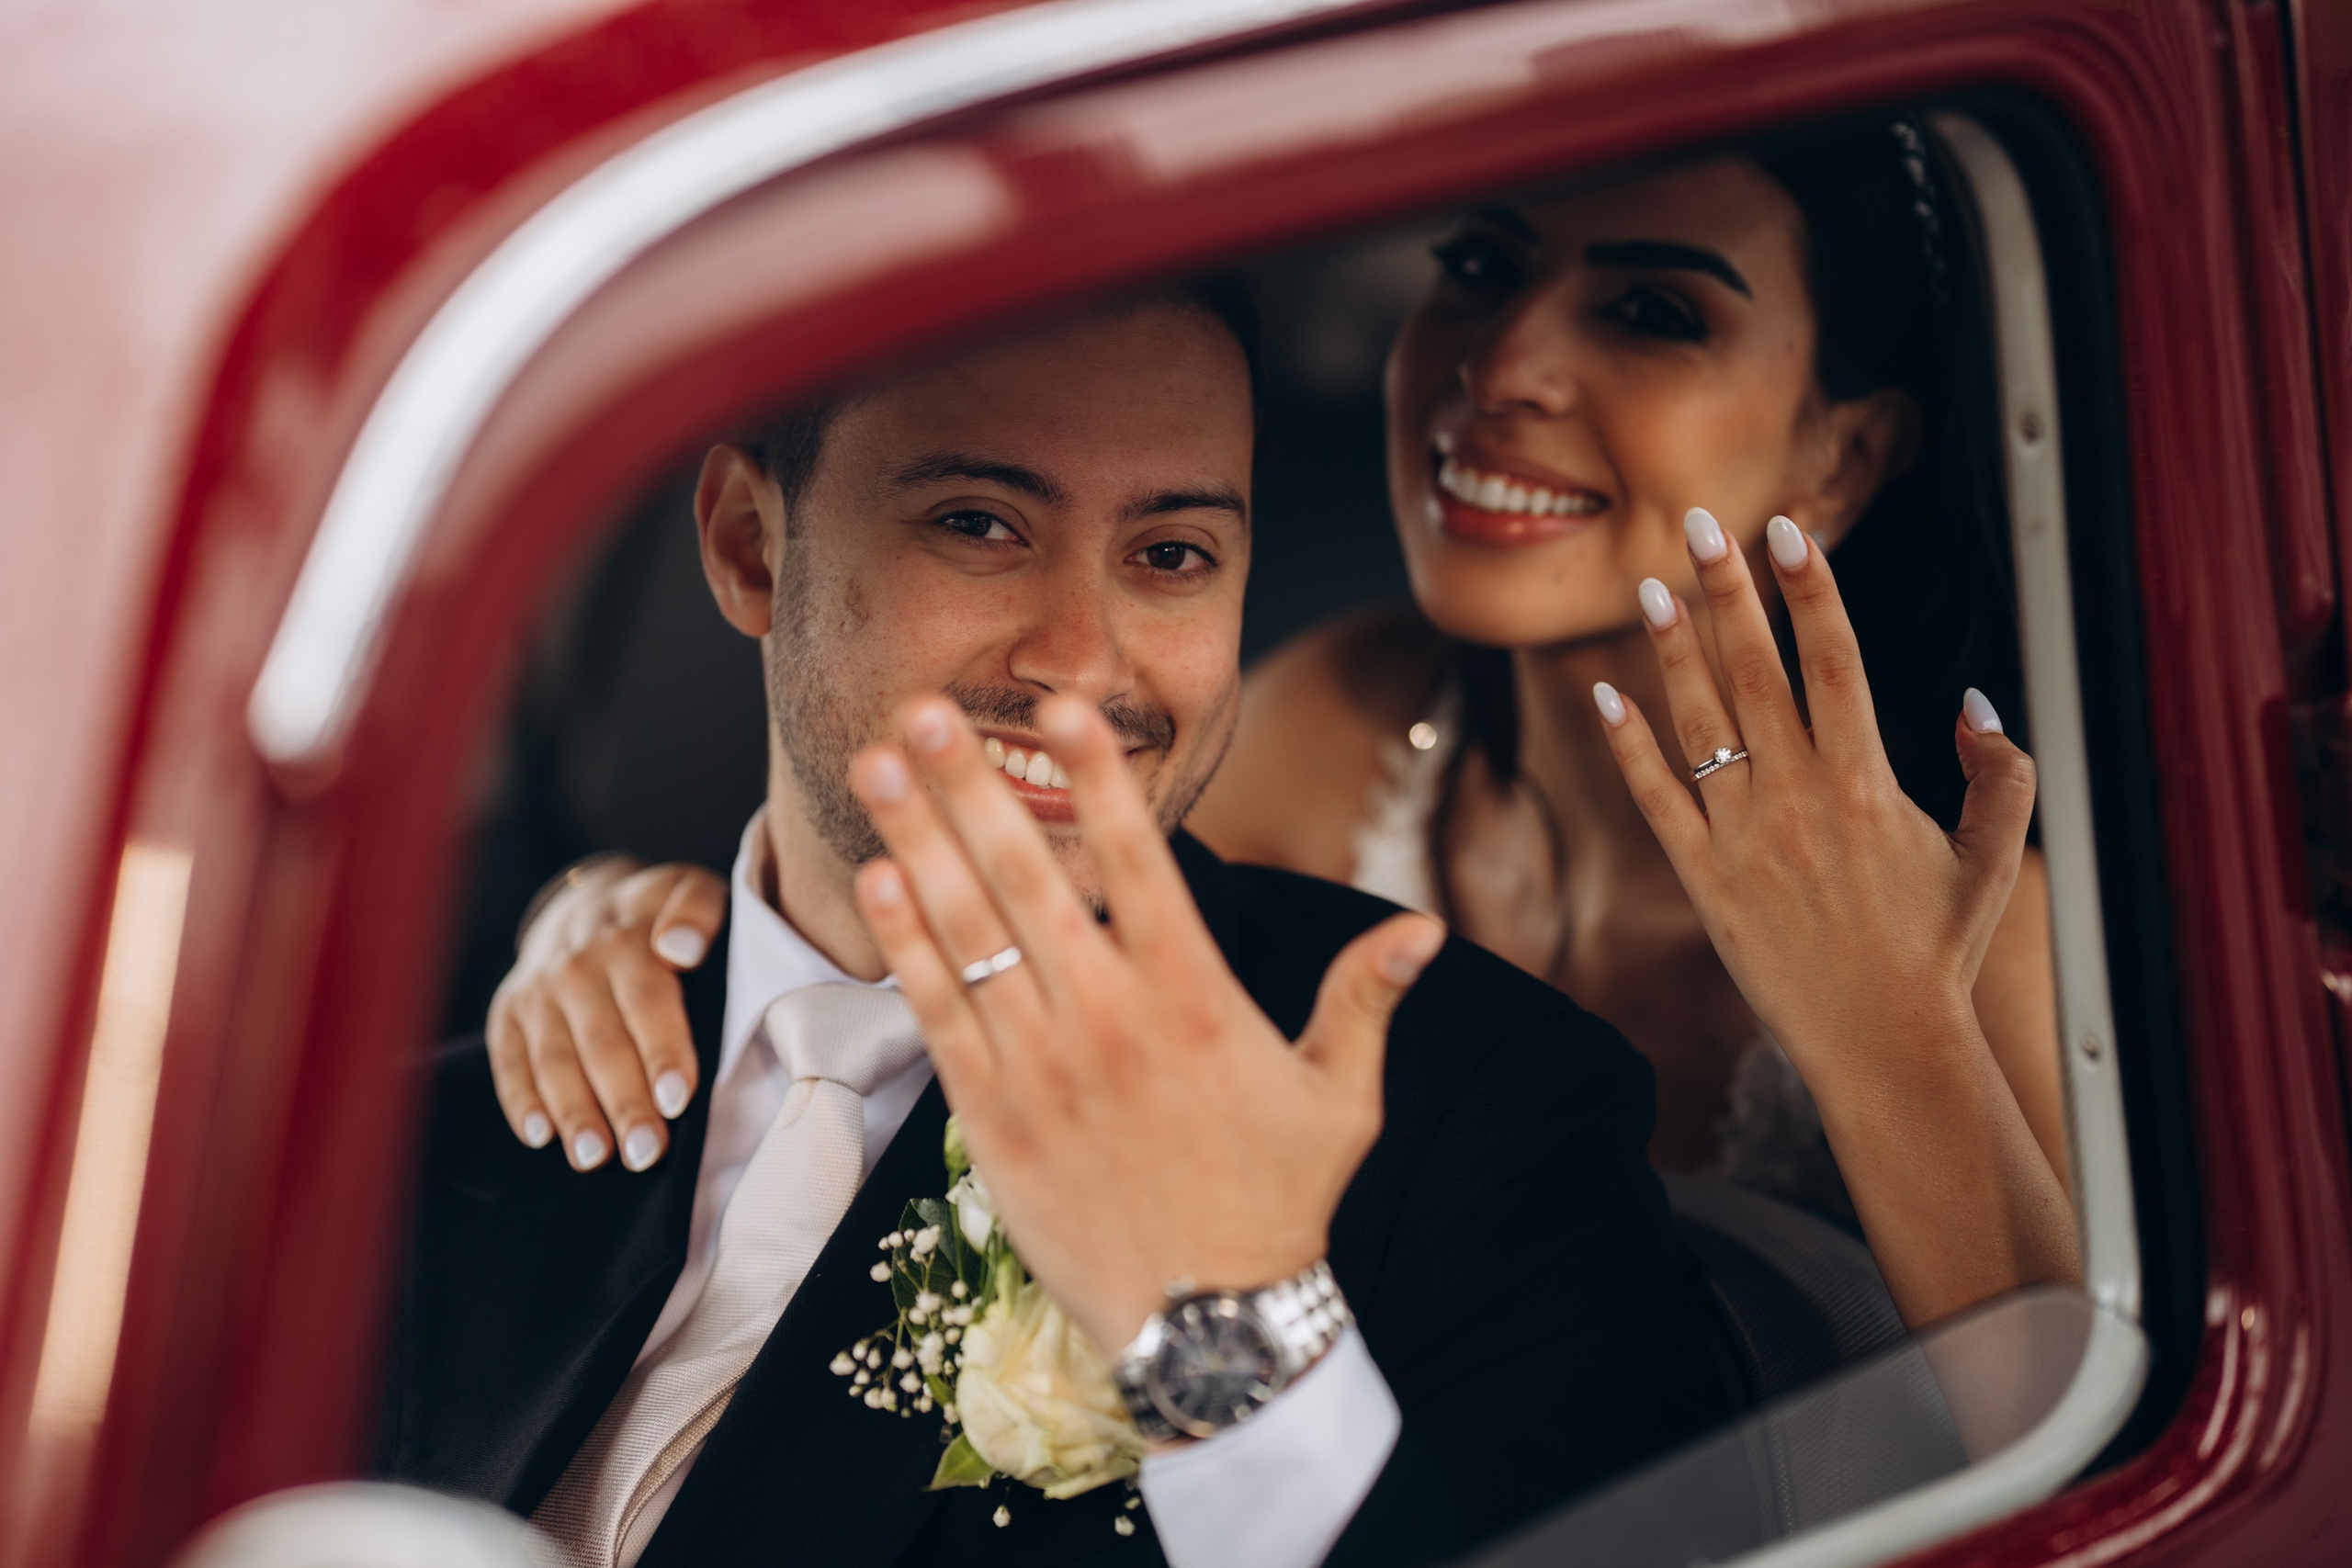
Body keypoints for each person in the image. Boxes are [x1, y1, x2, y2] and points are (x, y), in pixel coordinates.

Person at [379, 281, 2068, 1568]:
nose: (1086, 654)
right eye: (979, 523)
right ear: (754, 546)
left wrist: (1228, 1348)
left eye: (1173, 554)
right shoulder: (442, 1113)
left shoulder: (1480, 1112)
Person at [504, 118, 2065, 1235]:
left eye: (1651, 312)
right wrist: (631, 921)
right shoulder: (1327, 725)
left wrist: (1877, 1029)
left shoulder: (1975, 899)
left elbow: (2114, 1441)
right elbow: (961, 911)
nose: (1497, 361)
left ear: (1846, 453)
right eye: (1480, 261)